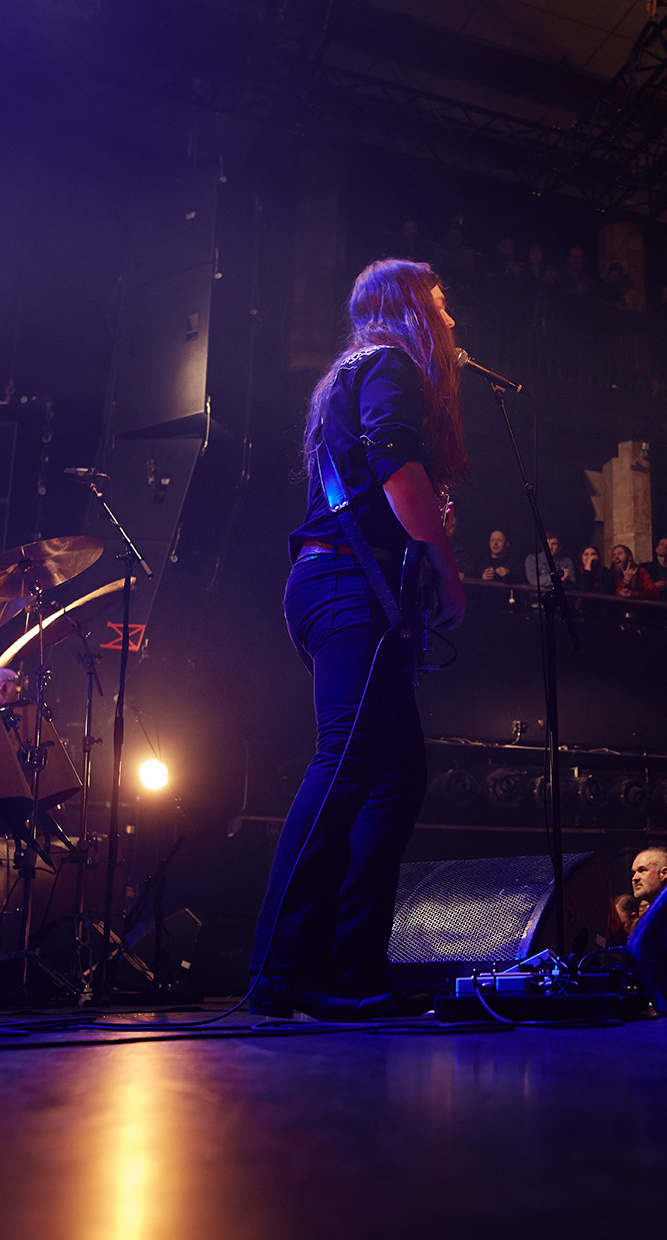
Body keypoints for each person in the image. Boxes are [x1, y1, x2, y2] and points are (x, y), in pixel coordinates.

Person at [248, 259, 469, 1022]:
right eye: (440, 305)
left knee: (394, 777)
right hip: (346, 584)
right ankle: (278, 972)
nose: (450, 320)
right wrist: (447, 565)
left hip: (345, 585)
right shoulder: (386, 364)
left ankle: (353, 972)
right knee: (345, 762)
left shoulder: (359, 368)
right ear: (409, 308)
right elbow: (394, 462)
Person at [628, 846, 667, 928]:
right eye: (633, 873)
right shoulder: (642, 922)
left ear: (664, 873)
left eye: (642, 870)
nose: (634, 878)